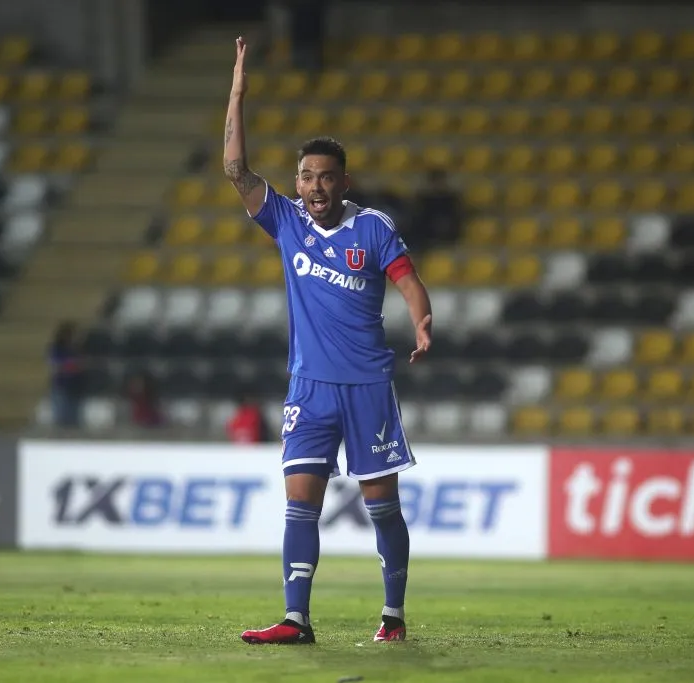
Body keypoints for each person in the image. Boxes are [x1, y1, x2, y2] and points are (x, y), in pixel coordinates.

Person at [222, 38, 433, 646]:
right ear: (297, 181)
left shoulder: (372, 228)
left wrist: (422, 320)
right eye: (307, 176)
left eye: (326, 176)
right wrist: (237, 94)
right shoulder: (285, 220)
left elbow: (409, 283)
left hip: (367, 384)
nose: (315, 185)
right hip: (308, 386)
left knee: (381, 507)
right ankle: (296, 620)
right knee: (300, 503)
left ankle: (392, 615)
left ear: (344, 182)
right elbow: (235, 170)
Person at [47, 321, 85, 428]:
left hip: (76, 386)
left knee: (74, 418)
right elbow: (56, 366)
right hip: (61, 386)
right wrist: (72, 366)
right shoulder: (57, 349)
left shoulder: (77, 349)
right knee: (61, 417)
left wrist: (74, 366)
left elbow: (81, 365)